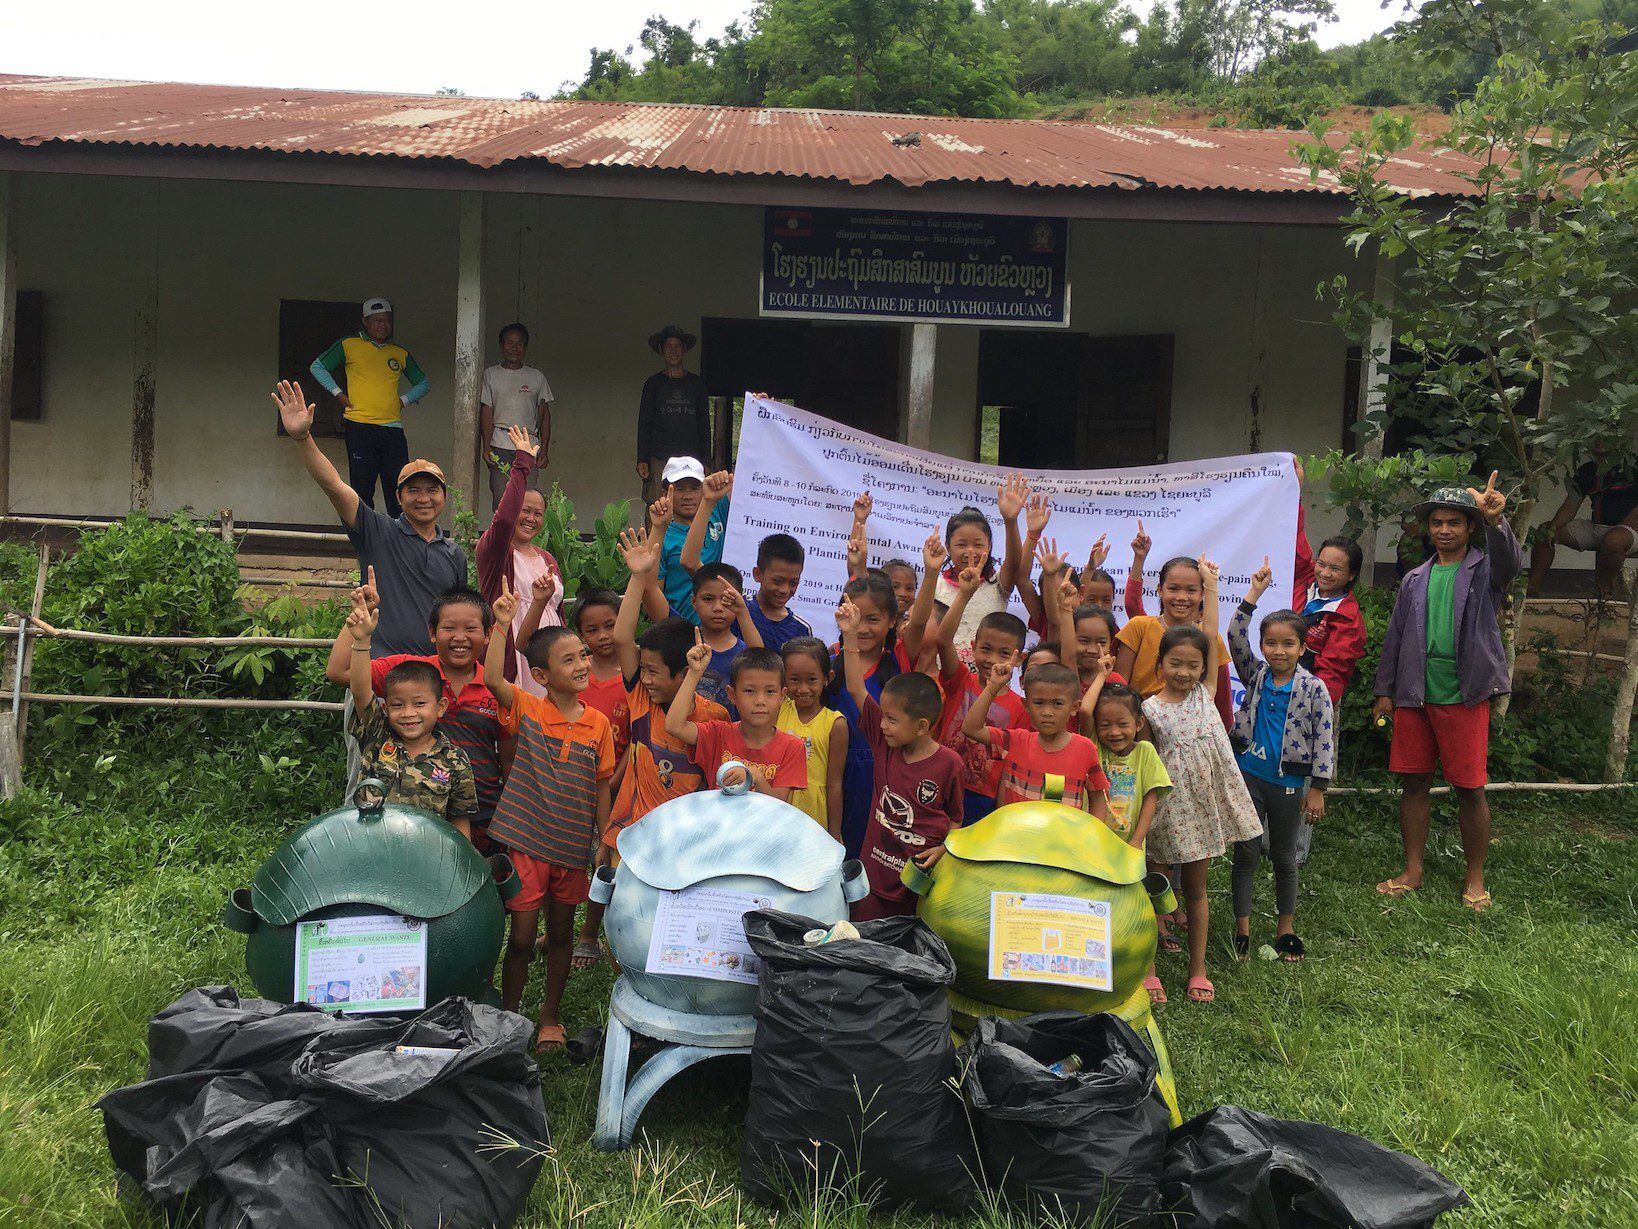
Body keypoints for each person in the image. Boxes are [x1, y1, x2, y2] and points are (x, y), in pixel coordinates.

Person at [1373, 476, 1519, 912]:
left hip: (1464, 695)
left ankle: (1475, 877)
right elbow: (1395, 639)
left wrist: (1499, 522)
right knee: (1414, 782)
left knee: (1470, 788)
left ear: (1470, 527)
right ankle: (1413, 869)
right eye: (1436, 522)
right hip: (1415, 694)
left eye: (1454, 522)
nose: (1444, 530)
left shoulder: (1485, 570)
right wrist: (1384, 692)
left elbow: (1511, 562)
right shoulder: (1416, 578)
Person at [486, 580, 615, 1054]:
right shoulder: (530, 709)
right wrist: (501, 625)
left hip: (571, 845)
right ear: (541, 675)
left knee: (560, 933)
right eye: (570, 660)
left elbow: (602, 783)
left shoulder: (598, 724)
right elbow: (495, 681)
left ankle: (549, 1019)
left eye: (583, 655)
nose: (582, 664)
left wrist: (603, 837)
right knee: (521, 936)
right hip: (526, 840)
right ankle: (509, 1015)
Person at [591, 529, 729, 965]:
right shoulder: (639, 698)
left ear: (682, 670)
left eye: (654, 672)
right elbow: (622, 637)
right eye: (643, 670)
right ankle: (615, 955)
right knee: (625, 907)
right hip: (632, 824)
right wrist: (637, 579)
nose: (645, 679)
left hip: (680, 837)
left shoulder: (712, 717)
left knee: (668, 914)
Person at [1142, 559, 1263, 1006]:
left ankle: (1198, 970)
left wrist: (1211, 588)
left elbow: (1210, 633)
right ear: (1161, 663)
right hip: (1164, 813)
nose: (1185, 671)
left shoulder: (1207, 693)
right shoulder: (1149, 710)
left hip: (1203, 811)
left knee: (1196, 891)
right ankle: (1148, 968)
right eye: (1175, 663)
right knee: (1154, 890)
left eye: (1193, 664)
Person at [275, 380, 466, 657]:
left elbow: (458, 616)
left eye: (432, 490)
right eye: (413, 490)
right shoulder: (377, 531)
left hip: (433, 679)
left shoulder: (454, 554)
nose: (423, 498)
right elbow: (334, 486)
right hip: (378, 673)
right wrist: (303, 439)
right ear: (398, 498)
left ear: (444, 498)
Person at [325, 585, 504, 849]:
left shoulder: (496, 688)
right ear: (432, 632)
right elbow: (345, 675)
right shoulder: (407, 673)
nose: (459, 637)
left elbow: (505, 758)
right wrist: (361, 630)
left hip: (469, 821)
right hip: (379, 838)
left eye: (470, 629)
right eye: (449, 628)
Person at [1228, 558, 1336, 963]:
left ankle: (1286, 928)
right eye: (1271, 643)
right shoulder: (1256, 675)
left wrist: (1318, 790)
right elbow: (1234, 634)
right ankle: (1242, 928)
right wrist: (1253, 593)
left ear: (1302, 648)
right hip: (1250, 778)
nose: (1278, 650)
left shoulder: (1313, 688)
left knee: (1285, 855)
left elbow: (1325, 739)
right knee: (1246, 853)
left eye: (1288, 644)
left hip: (1289, 785)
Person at [837, 596, 964, 921]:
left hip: (918, 889)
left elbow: (956, 821)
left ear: (922, 726)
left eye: (892, 719)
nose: (881, 724)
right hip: (871, 884)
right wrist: (849, 635)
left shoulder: (950, 764)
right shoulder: (884, 742)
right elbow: (855, 689)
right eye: (883, 716)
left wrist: (943, 849)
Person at [308, 298, 431, 518]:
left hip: (392, 429)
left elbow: (423, 383)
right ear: (365, 321)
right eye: (377, 321)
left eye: (387, 321)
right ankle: (365, 542)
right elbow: (317, 367)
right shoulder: (349, 345)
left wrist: (403, 400)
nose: (382, 325)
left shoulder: (399, 353)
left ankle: (399, 539)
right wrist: (338, 394)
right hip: (359, 427)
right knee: (362, 489)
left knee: (398, 487)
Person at [936, 563, 1030, 827]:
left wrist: (1000, 811)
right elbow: (943, 640)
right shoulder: (961, 680)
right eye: (986, 649)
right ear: (973, 646)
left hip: (982, 799)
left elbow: (1011, 765)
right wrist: (964, 594)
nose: (992, 660)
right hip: (940, 781)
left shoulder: (1020, 709)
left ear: (1019, 658)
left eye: (1004, 653)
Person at [962, 654, 1111, 816]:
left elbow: (1097, 797)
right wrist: (993, 687)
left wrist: (1093, 838)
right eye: (1039, 703)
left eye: (1057, 704)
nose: (1047, 712)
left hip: (1061, 840)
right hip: (1015, 837)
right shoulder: (1015, 741)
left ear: (1074, 707)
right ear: (1026, 705)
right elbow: (971, 728)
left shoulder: (1084, 748)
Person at [477, 425, 562, 694]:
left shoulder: (547, 558)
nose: (531, 518)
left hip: (548, 657)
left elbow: (557, 613)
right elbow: (503, 521)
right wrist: (523, 464)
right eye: (525, 510)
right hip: (512, 657)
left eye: (538, 514)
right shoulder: (496, 551)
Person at [667, 639, 807, 801]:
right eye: (749, 691)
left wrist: (755, 777)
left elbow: (779, 806)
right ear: (732, 695)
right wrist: (694, 673)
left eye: (770, 691)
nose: (760, 700)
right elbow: (674, 726)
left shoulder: (792, 747)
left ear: (782, 696)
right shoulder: (718, 735)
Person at [1114, 552, 1234, 729]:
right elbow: (1119, 688)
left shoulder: (1210, 639)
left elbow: (1221, 702)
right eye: (1173, 588)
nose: (1181, 597)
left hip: (1188, 731)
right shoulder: (1139, 627)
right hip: (1139, 728)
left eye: (1191, 590)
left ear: (1202, 594)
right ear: (1160, 590)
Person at [932, 474, 1028, 669]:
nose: (970, 552)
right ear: (948, 547)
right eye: (961, 544)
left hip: (990, 681)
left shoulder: (997, 583)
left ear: (990, 546)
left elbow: (1014, 563)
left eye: (978, 545)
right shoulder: (936, 585)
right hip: (947, 679)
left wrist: (1011, 521)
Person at [1528, 452, 1638, 599]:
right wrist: (1552, 528)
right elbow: (1570, 507)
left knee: (1614, 541)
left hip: (1631, 529)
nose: (1599, 441)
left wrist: (1621, 529)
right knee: (1545, 532)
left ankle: (1602, 592)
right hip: (1596, 526)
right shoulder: (1587, 470)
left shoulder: (1632, 464)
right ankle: (1531, 589)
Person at [778, 637, 848, 837]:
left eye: (811, 680)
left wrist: (835, 835)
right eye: (794, 679)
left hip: (814, 815)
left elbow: (835, 784)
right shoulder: (779, 708)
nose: (803, 689)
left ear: (828, 678)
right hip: (777, 805)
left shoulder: (835, 723)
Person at [480, 323, 553, 511]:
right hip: (500, 443)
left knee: (527, 499)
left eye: (520, 344)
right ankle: (502, 539)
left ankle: (522, 540)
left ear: (526, 348)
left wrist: (544, 449)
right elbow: (486, 411)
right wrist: (486, 445)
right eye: (509, 343)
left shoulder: (536, 377)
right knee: (501, 499)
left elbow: (545, 416)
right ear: (501, 345)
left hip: (528, 445)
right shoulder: (490, 375)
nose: (514, 348)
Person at [1088, 683, 1170, 849]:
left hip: (1130, 845)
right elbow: (1084, 711)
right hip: (1093, 843)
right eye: (1105, 725)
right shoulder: (1094, 748)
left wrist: (1137, 840)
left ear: (1139, 724)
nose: (1114, 732)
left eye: (1123, 724)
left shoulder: (1145, 752)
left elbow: (1151, 800)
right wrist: (1101, 676)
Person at [637, 325, 712, 504]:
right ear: (662, 350)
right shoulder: (653, 384)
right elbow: (644, 423)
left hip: (691, 458)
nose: (673, 351)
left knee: (690, 505)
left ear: (684, 349)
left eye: (677, 346)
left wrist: (706, 461)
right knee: (657, 504)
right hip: (659, 457)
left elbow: (704, 425)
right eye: (668, 346)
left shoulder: (697, 385)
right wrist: (642, 458)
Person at [657, 462, 729, 624]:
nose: (687, 496)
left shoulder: (717, 509)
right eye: (679, 489)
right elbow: (654, 594)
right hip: (682, 630)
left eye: (695, 488)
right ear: (665, 493)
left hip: (723, 626)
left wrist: (723, 478)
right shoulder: (662, 537)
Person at [688, 562, 764, 711]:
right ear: (694, 601)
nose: (718, 608)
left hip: (729, 732)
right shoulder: (683, 641)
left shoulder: (744, 652)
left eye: (726, 600)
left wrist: (742, 611)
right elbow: (651, 592)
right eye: (708, 599)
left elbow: (761, 663)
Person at [748, 534, 813, 651]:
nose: (785, 590)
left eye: (793, 582)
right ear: (757, 574)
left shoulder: (801, 629)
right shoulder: (737, 609)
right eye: (777, 581)